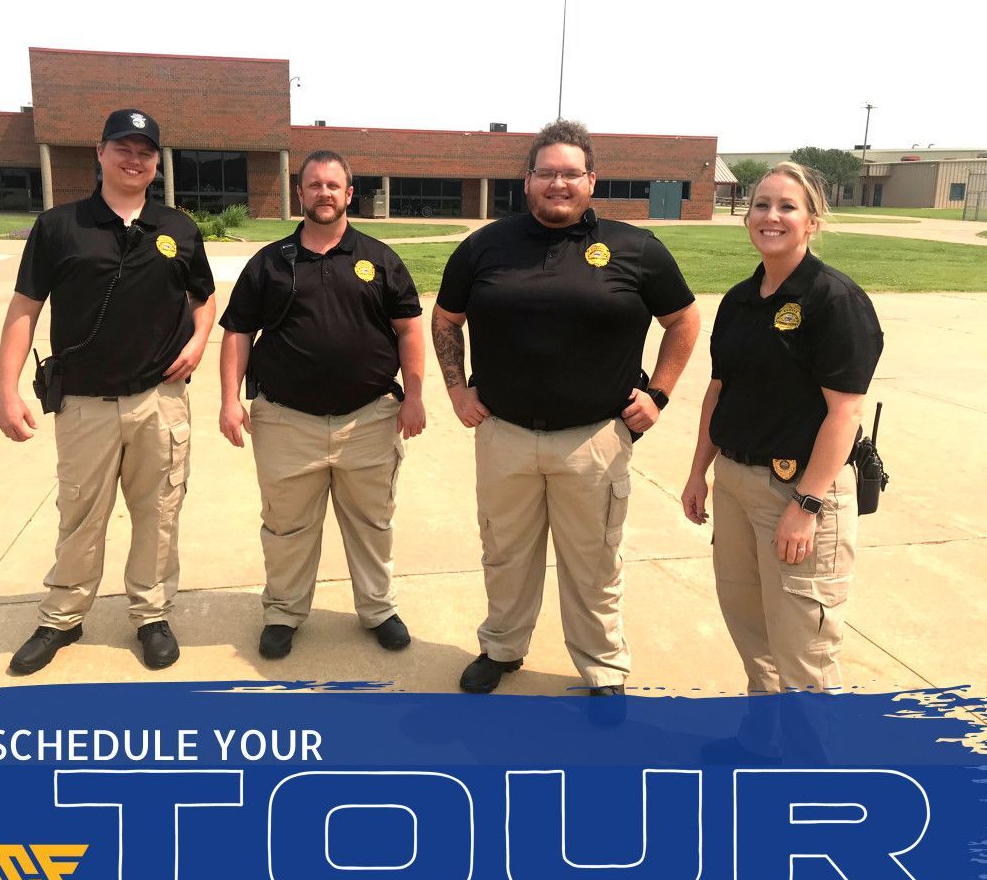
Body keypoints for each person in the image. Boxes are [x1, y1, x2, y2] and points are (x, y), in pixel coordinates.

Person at [432, 120, 700, 696]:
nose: (559, 183)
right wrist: (457, 388)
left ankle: (603, 668)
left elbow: (683, 320)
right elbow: (446, 318)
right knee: (504, 555)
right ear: (527, 181)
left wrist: (659, 394)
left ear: (591, 180)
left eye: (570, 173)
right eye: (547, 172)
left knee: (595, 565)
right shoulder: (484, 246)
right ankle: (502, 649)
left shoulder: (637, 248)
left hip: (595, 439)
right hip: (503, 433)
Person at [0, 108, 216, 674]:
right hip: (84, 404)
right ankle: (62, 617)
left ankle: (151, 615)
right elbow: (25, 308)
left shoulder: (178, 228)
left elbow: (204, 297)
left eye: (145, 150)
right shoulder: (59, 226)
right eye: (123, 146)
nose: (134, 158)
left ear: (156, 163)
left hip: (159, 402)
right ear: (99, 152)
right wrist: (7, 388)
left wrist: (198, 343)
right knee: (80, 513)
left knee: (159, 513)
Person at [681, 161, 883, 693]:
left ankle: (811, 772)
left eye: (787, 207)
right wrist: (698, 472)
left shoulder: (833, 301)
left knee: (804, 651)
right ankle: (764, 743)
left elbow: (845, 413)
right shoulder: (741, 300)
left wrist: (807, 505)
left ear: (812, 221)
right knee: (752, 631)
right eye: (761, 205)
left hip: (799, 490)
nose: (771, 216)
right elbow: (719, 390)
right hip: (736, 483)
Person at [218, 150, 425, 660]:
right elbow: (238, 332)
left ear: (349, 194)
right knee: (286, 526)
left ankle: (378, 609)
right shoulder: (269, 262)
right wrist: (229, 399)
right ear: (301, 193)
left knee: (373, 523)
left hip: (369, 418)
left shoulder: (380, 259)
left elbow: (409, 329)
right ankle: (283, 612)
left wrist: (415, 397)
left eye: (334, 185)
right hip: (286, 421)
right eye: (314, 185)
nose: (324, 193)